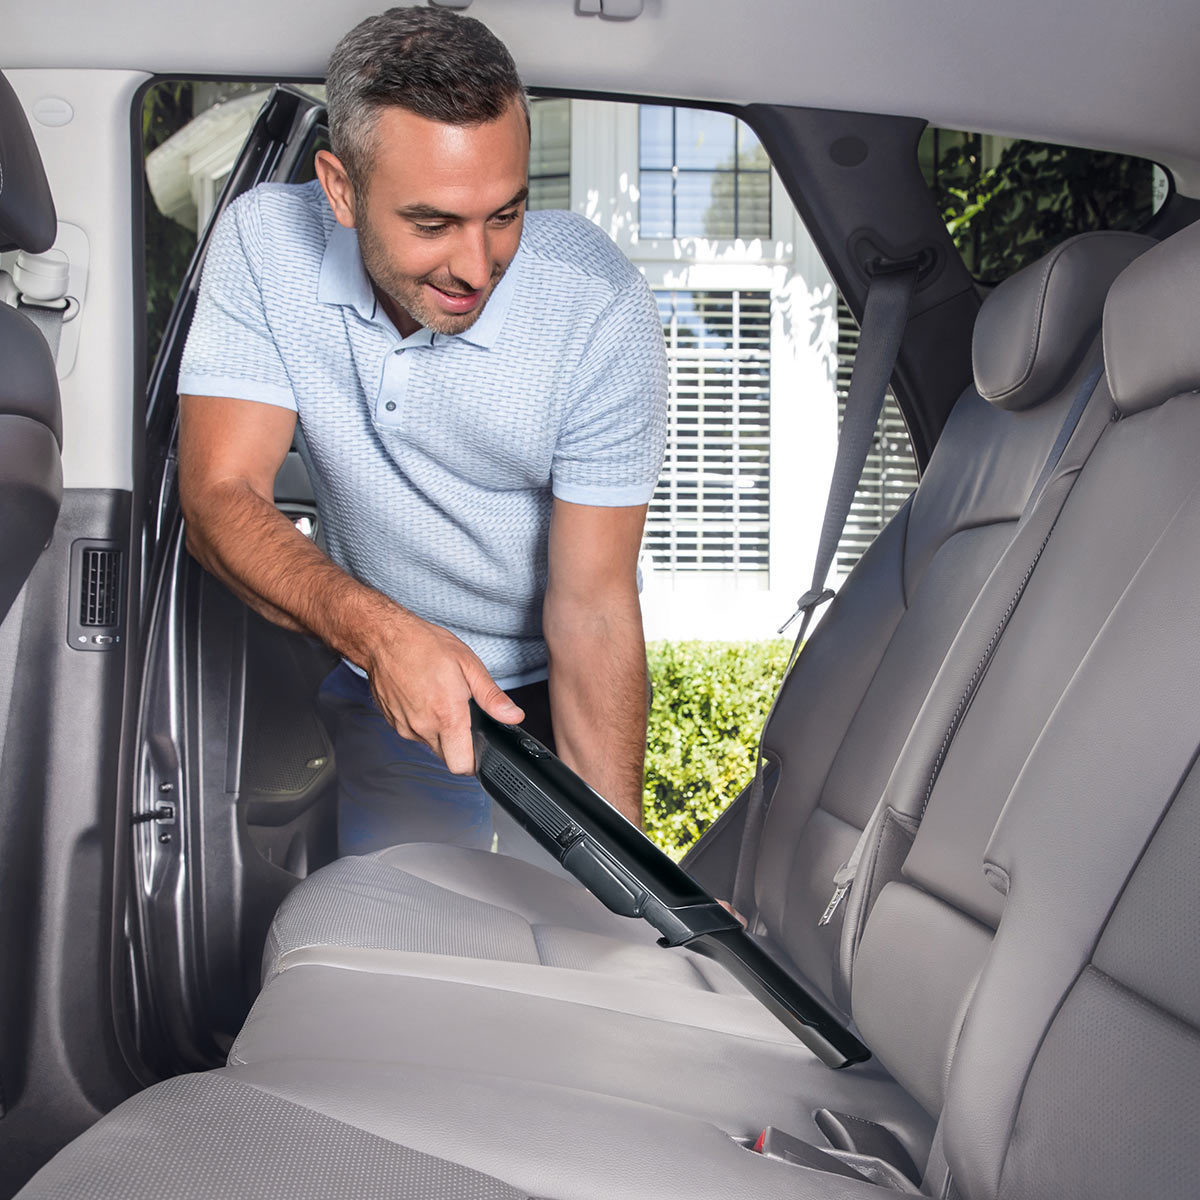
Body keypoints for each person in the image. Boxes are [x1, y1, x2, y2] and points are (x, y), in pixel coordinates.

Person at [176, 7, 668, 856]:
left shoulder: (596, 305)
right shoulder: (264, 243)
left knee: (584, 930)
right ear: (340, 189)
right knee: (419, 945)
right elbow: (221, 494)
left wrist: (627, 869)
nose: (476, 268)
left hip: (548, 690)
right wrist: (385, 635)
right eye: (433, 224)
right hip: (386, 682)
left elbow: (591, 608)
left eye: (505, 214)